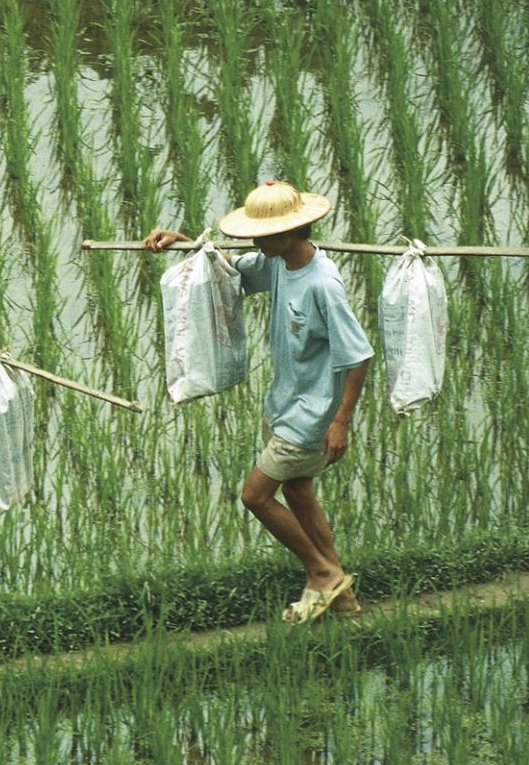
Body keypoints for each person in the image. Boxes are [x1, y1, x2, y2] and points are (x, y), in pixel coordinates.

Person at [144, 181, 372, 622]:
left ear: (292, 230)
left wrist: (341, 421)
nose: (254, 240)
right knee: (298, 491)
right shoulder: (281, 263)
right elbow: (224, 266)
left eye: (262, 233)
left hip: (311, 415)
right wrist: (181, 241)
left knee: (255, 496)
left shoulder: (323, 283)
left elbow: (358, 354)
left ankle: (321, 573)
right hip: (285, 403)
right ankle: (341, 594)